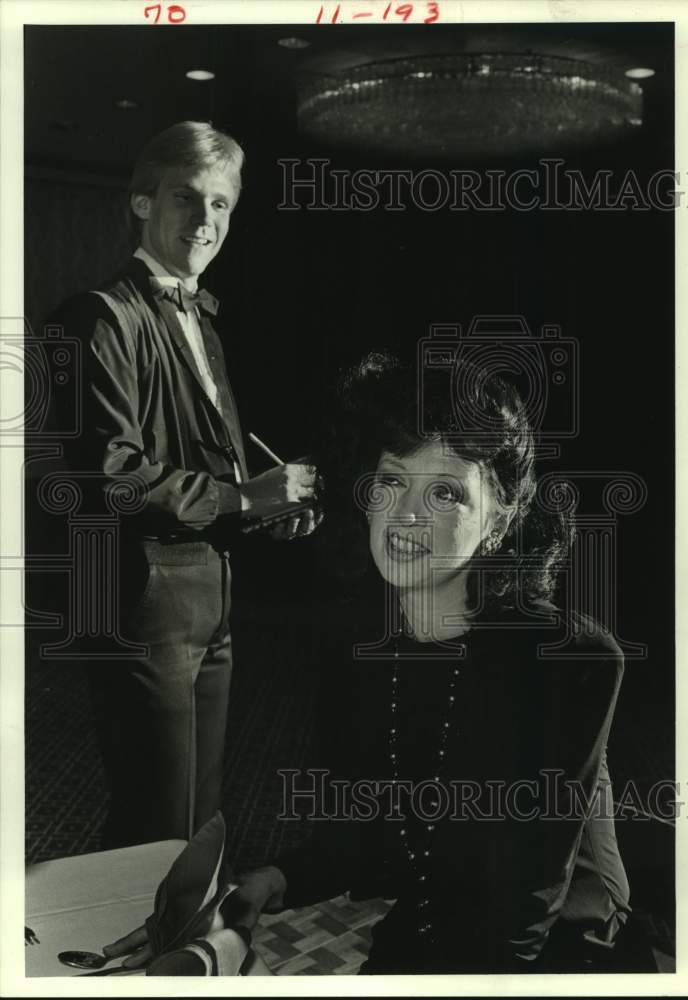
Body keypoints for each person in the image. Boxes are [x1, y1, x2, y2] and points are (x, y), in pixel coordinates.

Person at [105, 353, 641, 973]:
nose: (406, 514)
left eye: (445, 492)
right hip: (434, 906)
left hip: (559, 944)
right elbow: (368, 829)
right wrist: (275, 879)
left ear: (499, 521)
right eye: (392, 481)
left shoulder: (568, 659)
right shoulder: (355, 644)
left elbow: (526, 903)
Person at [51, 121, 318, 850]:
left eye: (222, 204)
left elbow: (208, 468)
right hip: (145, 601)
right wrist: (242, 498)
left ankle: (177, 952)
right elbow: (111, 476)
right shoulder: (99, 317)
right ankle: (131, 957)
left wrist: (263, 509)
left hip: (211, 593)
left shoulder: (203, 317)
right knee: (155, 821)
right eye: (185, 198)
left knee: (199, 815)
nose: (205, 221)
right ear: (141, 204)